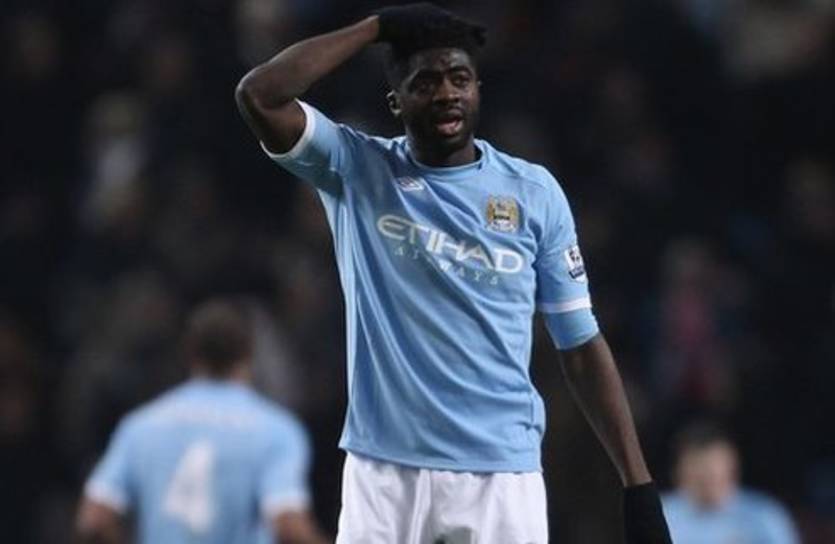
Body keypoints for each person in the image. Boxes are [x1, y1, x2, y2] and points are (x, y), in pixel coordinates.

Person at [236, 3, 671, 543]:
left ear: (478, 89)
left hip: (500, 474)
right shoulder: (356, 168)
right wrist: (375, 28)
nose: (446, 93)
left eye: (460, 78)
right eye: (425, 82)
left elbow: (580, 346)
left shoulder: (533, 195)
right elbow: (260, 94)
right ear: (395, 101)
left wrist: (638, 484)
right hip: (384, 471)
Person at [75, 298, 328, 544]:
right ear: (249, 353)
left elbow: (94, 520)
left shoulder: (141, 425)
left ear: (189, 352)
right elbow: (288, 527)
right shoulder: (276, 431)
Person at [662, 422, 800, 544]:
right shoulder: (662, 515)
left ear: (733, 466)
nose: (708, 476)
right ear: (678, 471)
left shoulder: (764, 515)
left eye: (715, 466)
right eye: (698, 466)